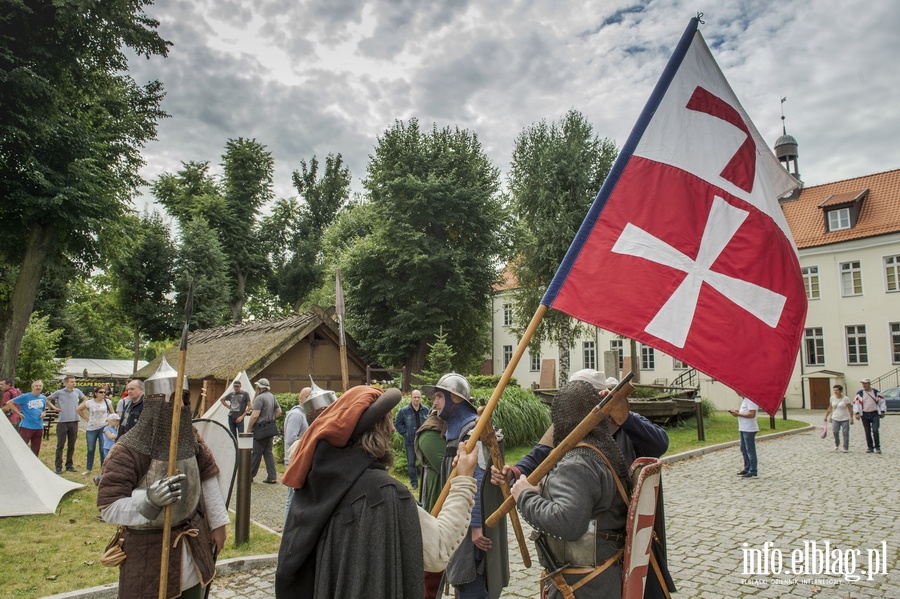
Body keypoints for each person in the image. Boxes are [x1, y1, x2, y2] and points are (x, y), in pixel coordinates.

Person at [276, 385, 479, 598]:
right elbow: (439, 548)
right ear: (377, 429)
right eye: (388, 422)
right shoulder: (383, 494)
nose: (392, 430)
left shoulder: (316, 480)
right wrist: (464, 480)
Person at [490, 368, 675, 598]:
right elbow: (542, 454)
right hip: (594, 553)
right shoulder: (574, 437)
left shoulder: (590, 451)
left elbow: (659, 443)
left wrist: (626, 418)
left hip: (596, 562)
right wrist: (515, 472)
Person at [97, 363, 228, 599]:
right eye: (174, 398)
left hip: (193, 542)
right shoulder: (127, 450)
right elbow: (109, 507)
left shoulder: (191, 437)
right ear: (155, 401)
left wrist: (218, 524)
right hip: (149, 548)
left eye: (185, 398)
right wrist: (148, 500)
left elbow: (208, 477)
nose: (181, 405)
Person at [511, 380, 631, 599]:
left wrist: (525, 496)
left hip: (584, 583)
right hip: (604, 573)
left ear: (560, 417)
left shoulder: (577, 462)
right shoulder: (605, 452)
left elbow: (567, 523)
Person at [434, 372, 509, 599]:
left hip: (470, 527)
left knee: (470, 581)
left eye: (439, 396)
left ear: (455, 399)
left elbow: (477, 476)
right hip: (458, 519)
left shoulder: (472, 432)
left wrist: (476, 526)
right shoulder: (457, 432)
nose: (434, 403)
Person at [282, 386, 312, 523]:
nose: (309, 400)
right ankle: (287, 531)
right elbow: (290, 439)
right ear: (300, 398)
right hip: (293, 460)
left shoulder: (304, 414)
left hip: (299, 459)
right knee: (291, 498)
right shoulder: (296, 415)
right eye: (306, 397)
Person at [47, 375, 85, 473]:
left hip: (74, 420)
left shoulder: (77, 392)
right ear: (66, 382)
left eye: (74, 382)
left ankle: (69, 464)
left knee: (71, 444)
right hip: (62, 421)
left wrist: (80, 406)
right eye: (71, 382)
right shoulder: (59, 392)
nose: (74, 383)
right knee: (60, 445)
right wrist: (54, 408)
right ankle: (58, 466)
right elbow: (47, 399)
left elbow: (85, 399)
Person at [247, 378, 281, 484]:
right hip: (270, 428)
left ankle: (249, 476)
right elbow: (279, 411)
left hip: (260, 429)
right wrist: (270, 418)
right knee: (268, 453)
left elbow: (255, 415)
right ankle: (272, 476)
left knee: (256, 453)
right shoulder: (272, 396)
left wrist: (249, 429)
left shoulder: (259, 398)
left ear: (260, 387)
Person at [76, 387, 114, 475]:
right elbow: (78, 409)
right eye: (101, 392)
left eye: (104, 392)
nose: (103, 394)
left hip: (103, 427)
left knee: (102, 449)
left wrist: (110, 421)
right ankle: (88, 468)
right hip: (91, 428)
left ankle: (103, 468)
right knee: (90, 449)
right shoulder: (89, 402)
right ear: (95, 393)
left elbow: (112, 413)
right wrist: (86, 418)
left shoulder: (107, 402)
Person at [395, 389, 427, 490]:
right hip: (410, 441)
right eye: (415, 397)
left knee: (424, 462)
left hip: (423, 440)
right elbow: (398, 423)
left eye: (418, 397)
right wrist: (405, 433)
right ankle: (414, 483)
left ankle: (424, 483)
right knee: (411, 463)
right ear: (411, 397)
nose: (417, 399)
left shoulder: (426, 410)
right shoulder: (404, 411)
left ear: (421, 397)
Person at [13, 380, 49, 456]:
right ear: (32, 387)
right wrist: (19, 413)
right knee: (22, 446)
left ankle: (34, 464)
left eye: (40, 386)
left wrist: (43, 413)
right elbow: (10, 403)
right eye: (36, 386)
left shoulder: (43, 398)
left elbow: (44, 409)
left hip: (38, 426)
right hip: (27, 426)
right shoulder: (25, 396)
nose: (38, 387)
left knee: (36, 448)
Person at [854, 378, 886, 454]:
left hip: (874, 413)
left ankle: (877, 446)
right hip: (865, 414)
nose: (864, 385)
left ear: (869, 384)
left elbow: (882, 401)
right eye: (863, 384)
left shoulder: (875, 392)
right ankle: (870, 447)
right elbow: (856, 403)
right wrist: (857, 413)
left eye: (865, 383)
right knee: (867, 431)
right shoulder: (860, 393)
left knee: (875, 430)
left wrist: (882, 411)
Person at [729, 395, 759, 478]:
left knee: (750, 450)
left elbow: (752, 414)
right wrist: (739, 412)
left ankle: (753, 471)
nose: (737, 393)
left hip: (749, 428)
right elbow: (746, 411)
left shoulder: (751, 399)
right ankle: (747, 468)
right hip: (743, 427)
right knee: (744, 449)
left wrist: (738, 414)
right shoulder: (746, 399)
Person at [823, 384, 853, 452]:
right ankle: (837, 443)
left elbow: (850, 408)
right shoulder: (832, 398)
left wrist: (851, 418)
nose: (835, 392)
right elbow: (830, 407)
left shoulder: (846, 399)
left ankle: (846, 447)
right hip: (835, 418)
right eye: (834, 390)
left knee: (845, 433)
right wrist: (826, 416)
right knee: (835, 432)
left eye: (837, 390)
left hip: (844, 418)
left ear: (841, 391)